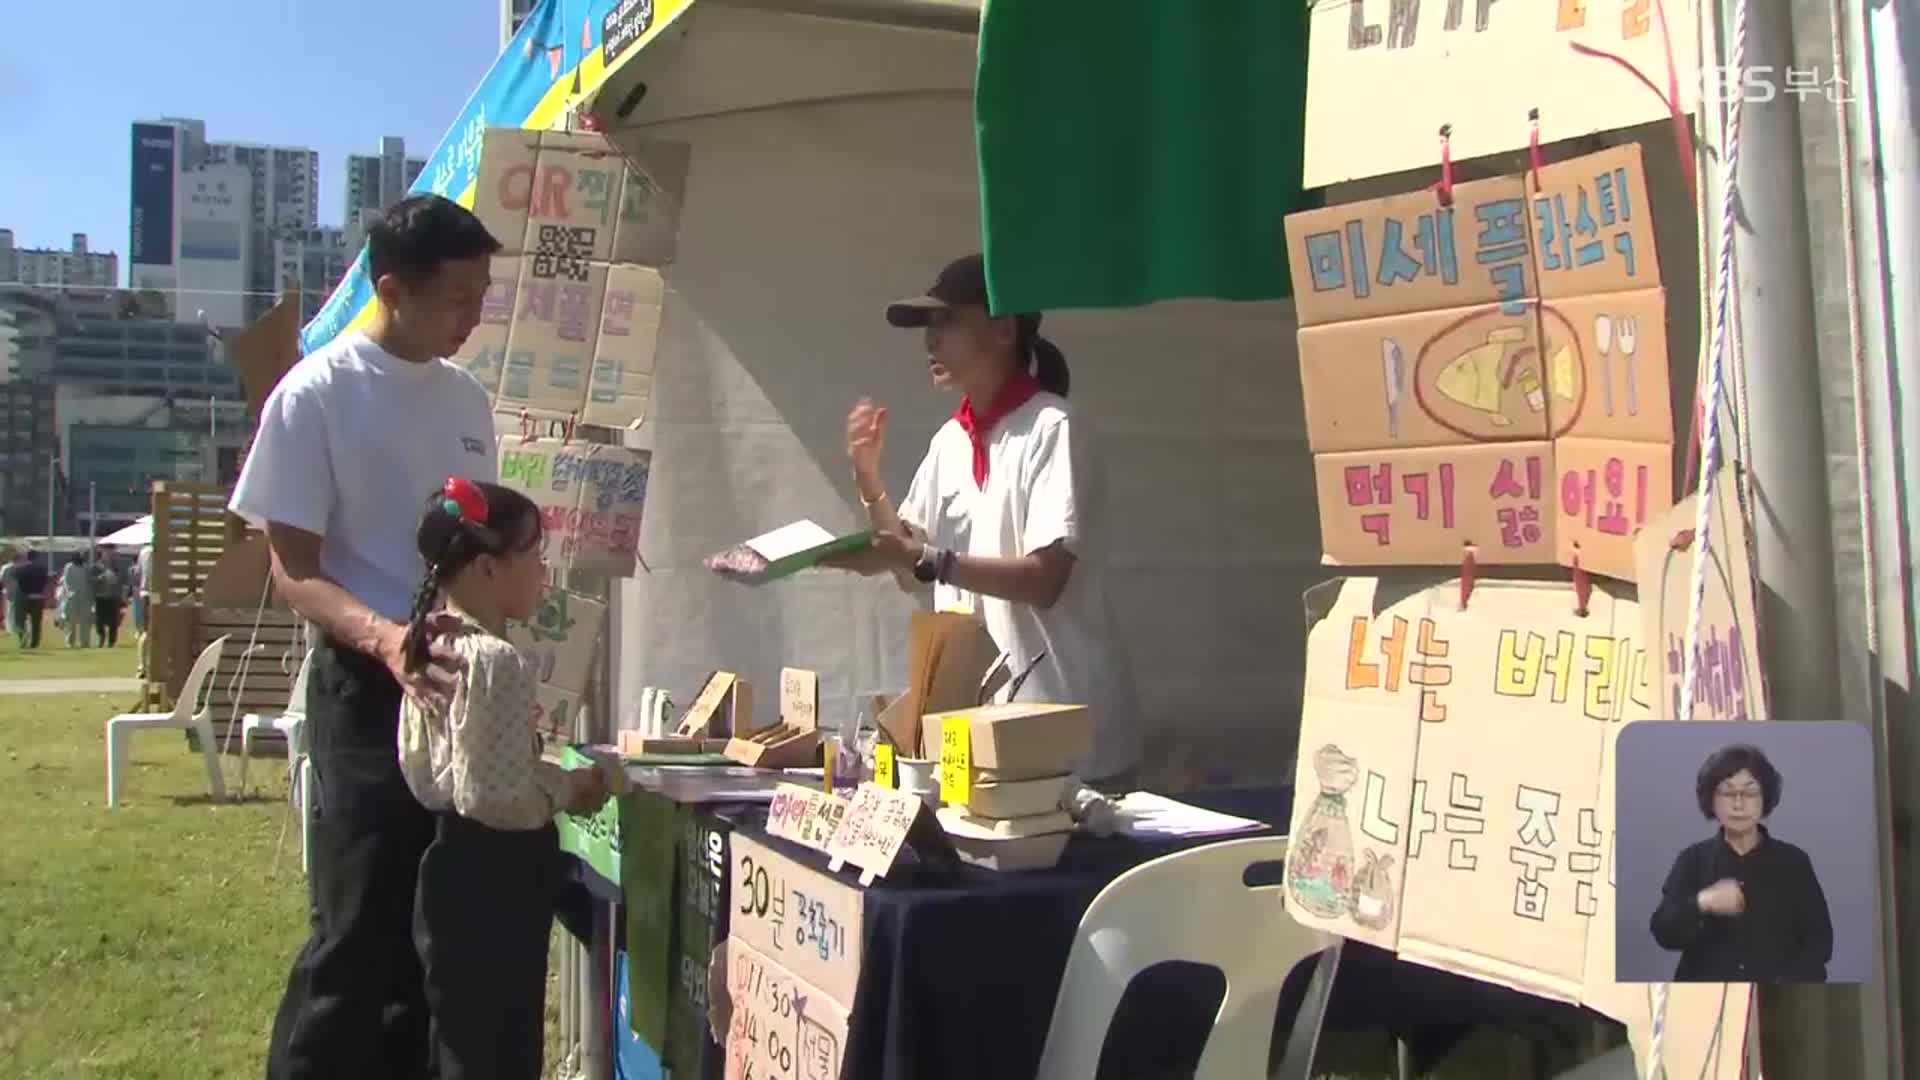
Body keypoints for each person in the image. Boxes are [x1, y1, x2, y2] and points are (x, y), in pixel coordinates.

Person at [230, 194, 507, 1080]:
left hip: (452, 681)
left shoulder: (468, 400)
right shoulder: (315, 395)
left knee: (439, 934)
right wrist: (385, 638)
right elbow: (293, 568)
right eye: (459, 299)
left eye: (481, 297)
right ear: (393, 288)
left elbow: (473, 548)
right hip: (363, 683)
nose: (474, 319)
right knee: (356, 927)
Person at [826, 254, 1142, 787]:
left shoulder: (1054, 427)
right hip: (973, 739)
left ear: (1002, 330)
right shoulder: (949, 441)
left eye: (946, 320)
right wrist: (869, 482)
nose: (930, 340)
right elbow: (909, 561)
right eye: (928, 325)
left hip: (1062, 742)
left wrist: (925, 559)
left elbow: (1044, 579)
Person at [398, 477, 611, 1079]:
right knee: (497, 1051)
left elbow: (428, 770)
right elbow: (496, 795)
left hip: (447, 866)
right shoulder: (495, 662)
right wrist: (571, 787)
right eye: (533, 555)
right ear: (488, 569)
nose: (543, 572)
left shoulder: (433, 643)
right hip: (494, 880)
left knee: (459, 1043)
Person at [1649, 742, 1833, 982]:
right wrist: (1701, 902)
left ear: (1765, 797)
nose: (1738, 803)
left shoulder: (1794, 862)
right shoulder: (1692, 860)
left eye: (1749, 792)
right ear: (1711, 800)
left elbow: (1820, 943)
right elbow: (1664, 933)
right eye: (1727, 792)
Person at [6, 550, 47, 649]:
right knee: (36, 622)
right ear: (36, 558)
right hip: (37, 597)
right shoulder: (42, 569)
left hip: (23, 597)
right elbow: (45, 581)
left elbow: (13, 579)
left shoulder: (19, 569)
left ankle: (23, 637)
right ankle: (34, 643)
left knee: (20, 620)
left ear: (27, 558)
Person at [59, 554, 94, 649]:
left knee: (85, 622)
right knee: (70, 621)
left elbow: (89, 582)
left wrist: (91, 598)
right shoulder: (69, 567)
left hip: (85, 597)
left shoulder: (85, 567)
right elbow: (66, 581)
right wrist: (68, 592)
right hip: (72, 597)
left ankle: (85, 643)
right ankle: (70, 643)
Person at [93, 550, 126, 648]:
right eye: (108, 555)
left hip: (113, 597)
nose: (110, 558)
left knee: (113, 622)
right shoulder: (96, 567)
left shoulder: (118, 569)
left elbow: (123, 583)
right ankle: (101, 636)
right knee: (99, 621)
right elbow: (91, 580)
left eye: (112, 556)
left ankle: (111, 642)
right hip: (101, 597)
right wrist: (100, 578)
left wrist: (123, 598)